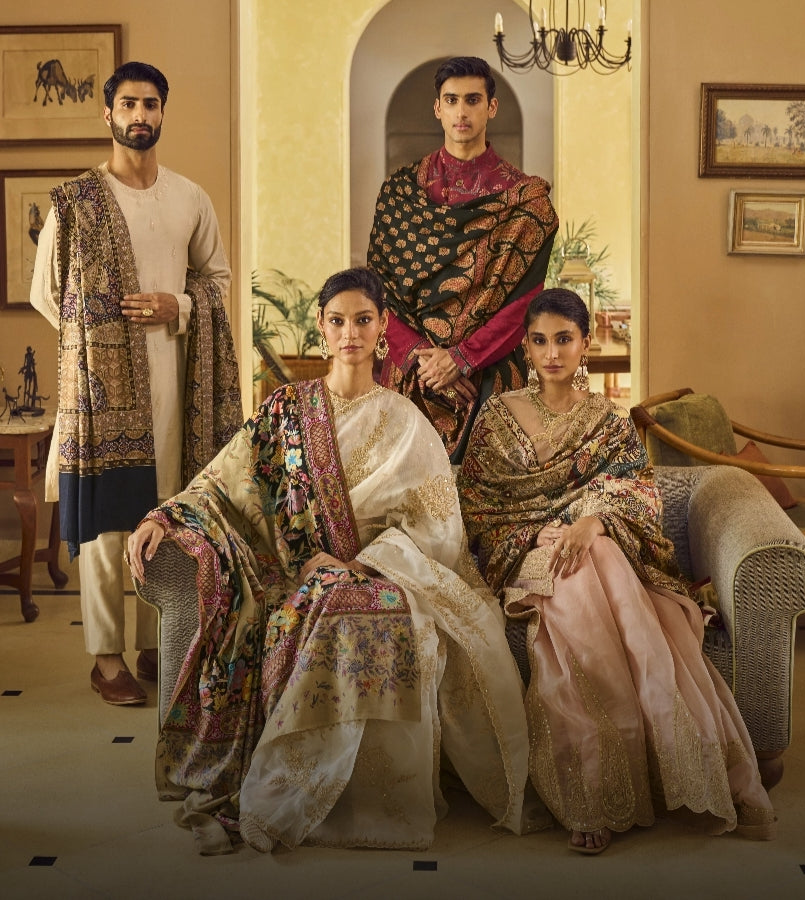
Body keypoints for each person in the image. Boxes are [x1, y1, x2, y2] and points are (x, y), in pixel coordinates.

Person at [126, 266, 531, 855]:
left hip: (384, 572)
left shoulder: (405, 421)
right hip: (294, 575)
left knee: (380, 616)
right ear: (321, 325)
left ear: (383, 326)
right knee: (316, 609)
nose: (350, 333)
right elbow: (221, 482)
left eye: (363, 320)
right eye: (338, 321)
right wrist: (162, 518)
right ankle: (296, 787)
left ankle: (375, 802)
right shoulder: (286, 410)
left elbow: (439, 528)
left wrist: (362, 565)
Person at [457, 289, 777, 854]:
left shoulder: (607, 420)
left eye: (564, 339)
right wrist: (538, 532)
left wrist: (593, 522)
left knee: (595, 556)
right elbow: (476, 504)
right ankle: (595, 791)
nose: (551, 353)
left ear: (586, 344)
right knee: (580, 567)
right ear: (525, 347)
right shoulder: (497, 416)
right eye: (539, 341)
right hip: (524, 549)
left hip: (599, 549)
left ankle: (636, 775)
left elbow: (637, 490)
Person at [30, 61, 242, 707]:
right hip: (100, 392)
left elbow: (218, 280)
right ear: (108, 114)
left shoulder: (190, 197)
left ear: (162, 112)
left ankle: (156, 643)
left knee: (166, 509)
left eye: (150, 104)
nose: (140, 115)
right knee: (103, 523)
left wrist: (179, 305)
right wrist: (100, 340)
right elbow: (46, 294)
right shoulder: (75, 202)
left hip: (177, 377)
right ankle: (106, 656)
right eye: (128, 104)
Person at [368, 56, 558, 463]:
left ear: (492, 107)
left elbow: (522, 305)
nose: (461, 112)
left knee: (490, 488)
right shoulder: (400, 193)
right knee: (404, 490)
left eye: (473, 100)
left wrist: (462, 359)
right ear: (437, 108)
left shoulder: (525, 204)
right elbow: (378, 291)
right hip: (412, 375)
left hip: (488, 378)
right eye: (451, 100)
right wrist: (425, 359)